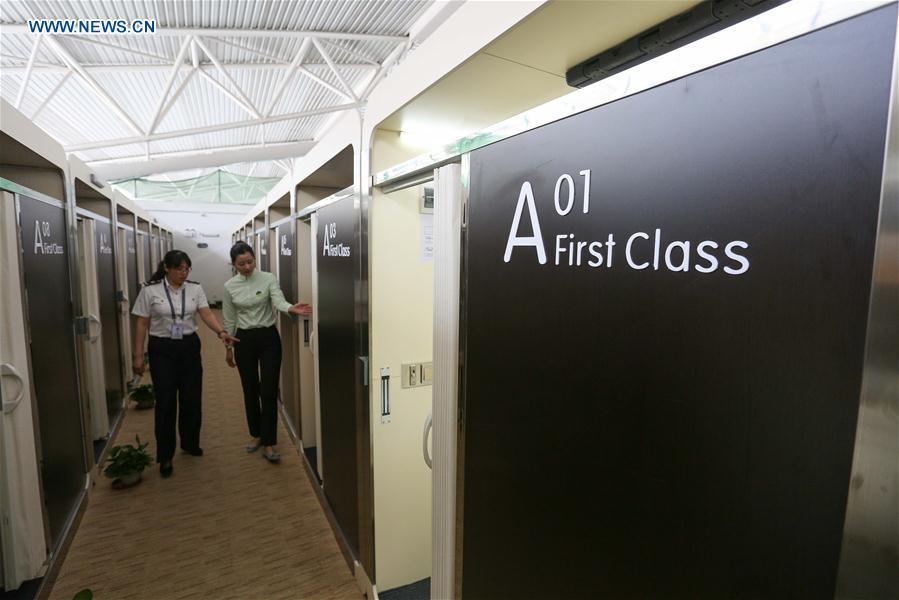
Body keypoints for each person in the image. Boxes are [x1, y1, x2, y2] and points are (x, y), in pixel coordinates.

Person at [132, 250, 237, 477]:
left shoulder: (195, 288)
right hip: (161, 349)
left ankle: (190, 442)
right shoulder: (150, 290)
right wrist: (138, 356)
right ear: (167, 268)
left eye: (187, 269)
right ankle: (166, 456)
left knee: (191, 397)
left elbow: (206, 313)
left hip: (188, 346)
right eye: (179, 269)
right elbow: (142, 323)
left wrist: (221, 332)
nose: (183, 273)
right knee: (166, 401)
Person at [222, 241, 310, 463]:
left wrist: (290, 307)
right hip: (243, 339)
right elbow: (229, 318)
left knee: (268, 392)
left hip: (268, 338)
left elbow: (277, 299)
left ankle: (270, 442)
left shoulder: (269, 278)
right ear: (234, 264)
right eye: (241, 263)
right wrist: (228, 348)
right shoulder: (229, 286)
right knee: (249, 388)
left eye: (250, 261)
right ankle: (257, 434)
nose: (247, 267)